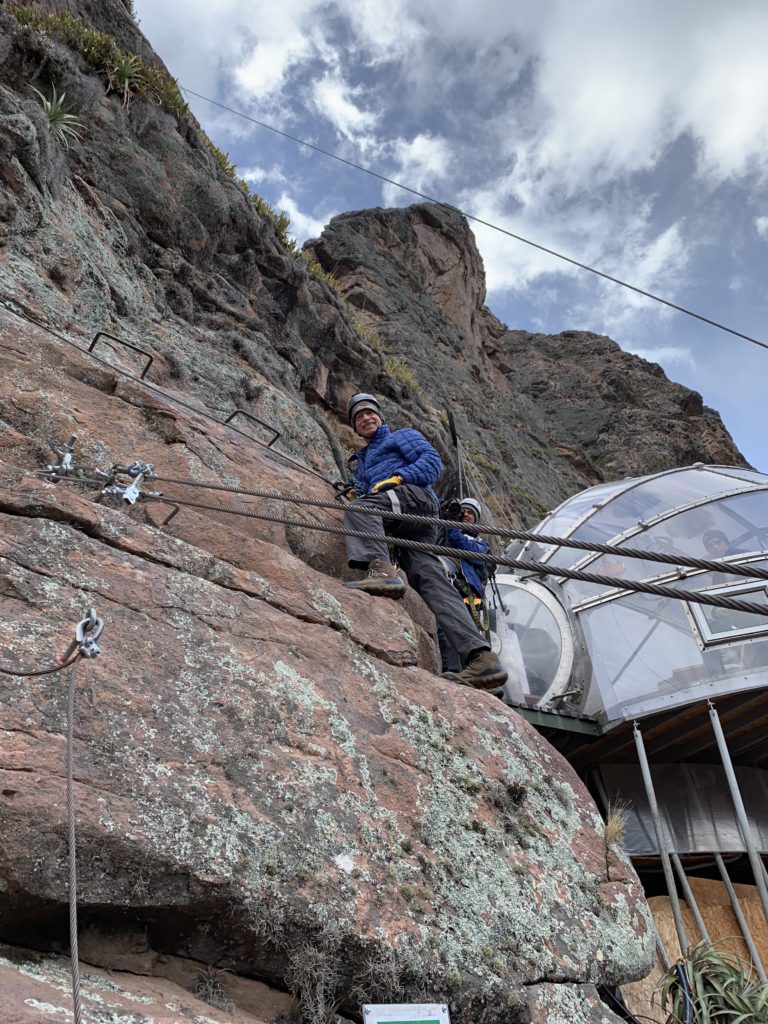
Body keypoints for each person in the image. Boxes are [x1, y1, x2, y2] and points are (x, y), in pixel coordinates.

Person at [341, 392, 507, 690]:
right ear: (354, 427)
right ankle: (481, 657)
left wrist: (399, 478)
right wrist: (359, 487)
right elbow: (369, 490)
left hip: (414, 500)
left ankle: (380, 572)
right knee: (430, 579)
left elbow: (432, 462)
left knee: (361, 509)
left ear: (380, 417)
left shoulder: (401, 436)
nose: (366, 418)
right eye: (358, 417)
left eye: (370, 413)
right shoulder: (363, 462)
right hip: (407, 526)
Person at [437, 498, 491, 672]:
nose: (466, 515)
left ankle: (461, 671)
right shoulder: (444, 530)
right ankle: (451, 670)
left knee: (461, 631)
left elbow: (473, 554)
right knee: (443, 628)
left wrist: (453, 526)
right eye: (463, 512)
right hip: (448, 584)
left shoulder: (481, 543)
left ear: (477, 519)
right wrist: (447, 513)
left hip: (467, 593)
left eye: (470, 513)